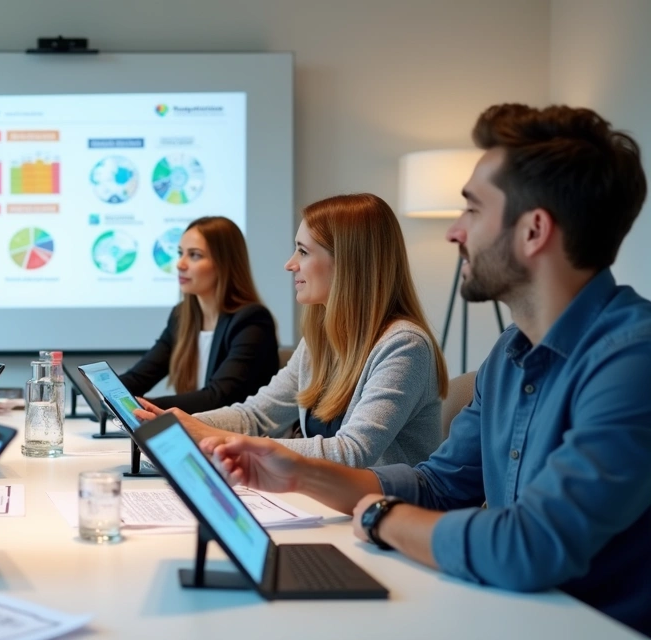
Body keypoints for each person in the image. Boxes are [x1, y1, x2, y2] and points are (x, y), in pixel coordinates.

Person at [203, 104, 651, 635]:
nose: (454, 233)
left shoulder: (633, 358)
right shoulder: (510, 354)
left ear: (533, 231)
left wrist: (379, 517)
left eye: (473, 211)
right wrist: (297, 472)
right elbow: (438, 487)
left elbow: (528, 546)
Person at [137, 193, 448, 468]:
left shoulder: (404, 346)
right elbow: (256, 417)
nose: (289, 264)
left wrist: (212, 436)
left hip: (383, 520)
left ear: (347, 263)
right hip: (329, 506)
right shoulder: (321, 341)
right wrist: (178, 424)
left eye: (303, 251)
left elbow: (352, 453)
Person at [118, 216, 279, 413]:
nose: (180, 264)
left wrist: (140, 407)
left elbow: (218, 398)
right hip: (199, 436)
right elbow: (139, 377)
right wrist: (105, 392)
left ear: (224, 264)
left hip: (243, 438)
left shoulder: (251, 321)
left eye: (194, 255)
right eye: (180, 253)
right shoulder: (182, 317)